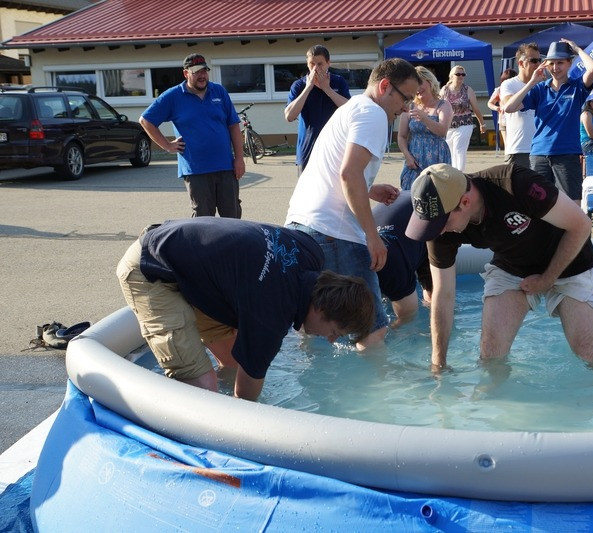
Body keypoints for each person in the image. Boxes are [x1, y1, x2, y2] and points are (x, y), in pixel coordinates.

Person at [116, 218, 374, 401]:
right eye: (335, 332)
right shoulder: (272, 314)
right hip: (149, 269)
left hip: (188, 263)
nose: (330, 340)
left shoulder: (310, 253)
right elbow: (245, 401)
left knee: (232, 365)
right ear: (319, 308)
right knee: (203, 389)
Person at [405, 163, 593, 372]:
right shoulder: (439, 229)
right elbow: (442, 295)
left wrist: (547, 279)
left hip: (571, 262)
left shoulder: (515, 184)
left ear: (465, 202)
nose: (438, 231)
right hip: (513, 265)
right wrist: (439, 366)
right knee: (491, 353)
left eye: (441, 223)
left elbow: (581, 225)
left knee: (587, 352)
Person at [285, 58, 422, 348]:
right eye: (406, 98)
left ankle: (316, 388)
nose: (407, 108)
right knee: (371, 329)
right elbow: (349, 173)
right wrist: (372, 237)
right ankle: (380, 393)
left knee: (314, 323)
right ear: (385, 86)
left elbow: (339, 170)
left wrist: (370, 189)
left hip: (302, 223)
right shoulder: (373, 113)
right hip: (335, 233)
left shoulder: (350, 108)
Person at [140, 53, 245, 218]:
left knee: (232, 216)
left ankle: (232, 245)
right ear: (186, 74)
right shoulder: (173, 96)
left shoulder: (219, 91)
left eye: (204, 71)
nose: (202, 76)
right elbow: (146, 120)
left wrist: (239, 158)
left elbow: (233, 125)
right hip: (196, 170)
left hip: (226, 167)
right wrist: (167, 145)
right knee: (203, 220)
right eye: (197, 72)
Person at [504, 39, 593, 202]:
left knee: (572, 203)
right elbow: (509, 107)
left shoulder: (577, 87)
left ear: (569, 63)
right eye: (551, 63)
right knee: (538, 205)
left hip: (567, 154)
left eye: (560, 63)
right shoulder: (539, 89)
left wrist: (577, 49)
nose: (555, 68)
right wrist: (532, 83)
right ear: (546, 65)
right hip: (539, 154)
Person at [284, 45, 351, 174]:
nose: (315, 68)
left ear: (328, 63)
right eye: (311, 64)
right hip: (308, 150)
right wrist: (308, 88)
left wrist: (327, 89)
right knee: (306, 193)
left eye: (320, 64)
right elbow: (289, 116)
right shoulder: (299, 85)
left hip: (335, 150)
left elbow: (349, 110)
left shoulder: (338, 82)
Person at [374, 191, 432, 325]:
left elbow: (408, 315)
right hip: (403, 207)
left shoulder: (392, 268)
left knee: (429, 300)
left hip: (424, 216)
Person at [398, 66, 453, 190]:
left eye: (420, 83)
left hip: (437, 157)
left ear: (430, 81)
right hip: (415, 158)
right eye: (414, 86)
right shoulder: (410, 106)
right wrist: (407, 156)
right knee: (410, 192)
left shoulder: (443, 105)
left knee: (437, 194)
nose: (417, 89)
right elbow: (401, 136)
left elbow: (442, 131)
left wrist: (424, 118)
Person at [500, 44, 540, 169]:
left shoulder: (543, 85)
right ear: (521, 63)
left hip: (540, 149)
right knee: (516, 188)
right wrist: (531, 84)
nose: (538, 64)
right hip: (518, 149)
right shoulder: (509, 84)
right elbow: (508, 105)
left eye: (540, 60)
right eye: (533, 61)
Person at [440, 65, 486, 171]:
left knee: (459, 149)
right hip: (448, 126)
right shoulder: (444, 90)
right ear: (451, 76)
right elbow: (439, 107)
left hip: (465, 124)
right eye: (458, 74)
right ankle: (452, 174)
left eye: (463, 74)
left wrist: (482, 124)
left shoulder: (468, 90)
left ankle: (459, 173)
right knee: (450, 151)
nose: (461, 76)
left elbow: (476, 109)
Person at [487, 68, 517, 149]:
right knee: (508, 144)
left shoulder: (519, 88)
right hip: (504, 120)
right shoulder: (499, 90)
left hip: (517, 119)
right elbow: (490, 103)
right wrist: (497, 108)